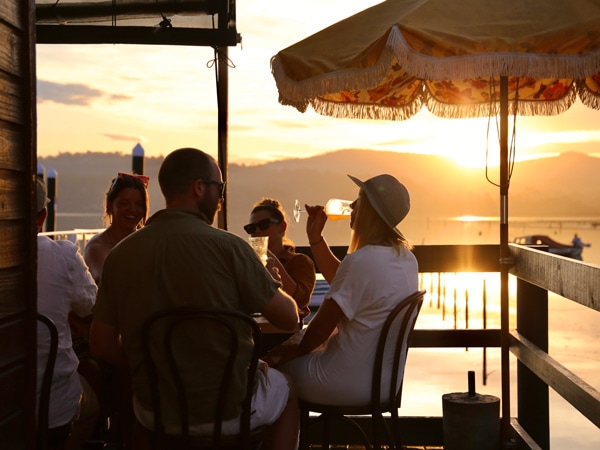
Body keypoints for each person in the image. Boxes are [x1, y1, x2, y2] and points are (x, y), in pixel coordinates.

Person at [89, 148, 300, 450]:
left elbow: (101, 344)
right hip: (230, 410)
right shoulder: (231, 248)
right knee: (288, 389)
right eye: (220, 188)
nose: (221, 198)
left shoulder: (120, 256)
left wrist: (149, 360)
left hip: (158, 411)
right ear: (199, 187)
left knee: (138, 404)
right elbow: (289, 318)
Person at [265, 174, 418, 406]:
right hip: (385, 383)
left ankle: (289, 441)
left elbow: (319, 331)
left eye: (359, 200)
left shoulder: (362, 260)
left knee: (272, 374)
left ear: (370, 211)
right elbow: (345, 281)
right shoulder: (406, 258)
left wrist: (282, 354)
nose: (353, 206)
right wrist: (316, 239)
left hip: (343, 382)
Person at [36, 177, 100, 450]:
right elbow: (90, 305)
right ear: (42, 217)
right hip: (52, 404)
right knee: (93, 405)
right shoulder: (62, 257)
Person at [245, 198, 316, 321]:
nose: (257, 231)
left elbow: (300, 301)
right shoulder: (247, 263)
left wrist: (269, 257)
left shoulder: (299, 261)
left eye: (264, 224)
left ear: (282, 227)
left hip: (286, 331)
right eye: (251, 228)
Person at [84, 172, 149, 284]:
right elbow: (105, 281)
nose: (132, 209)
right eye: (124, 203)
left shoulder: (148, 243)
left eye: (139, 204)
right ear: (110, 205)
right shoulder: (96, 247)